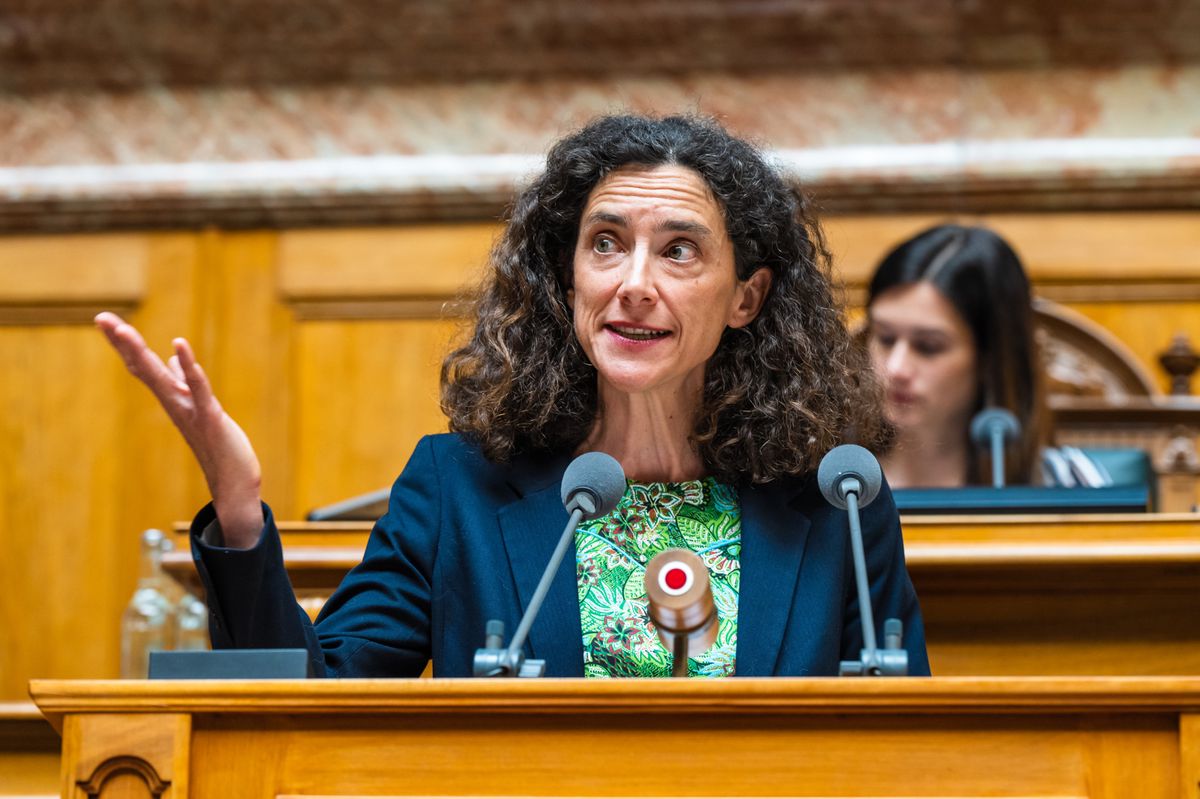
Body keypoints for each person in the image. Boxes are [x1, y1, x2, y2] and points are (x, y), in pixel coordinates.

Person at [98, 114, 929, 679]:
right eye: (606, 244)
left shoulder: (836, 502)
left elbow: (904, 745)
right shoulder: (457, 487)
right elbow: (314, 700)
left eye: (679, 250)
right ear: (568, 279)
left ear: (746, 296)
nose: (633, 283)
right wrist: (239, 510)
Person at [865, 223, 1111, 489]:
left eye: (928, 346)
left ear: (988, 359)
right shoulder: (839, 482)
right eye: (885, 338)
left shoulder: (1068, 481)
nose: (896, 368)